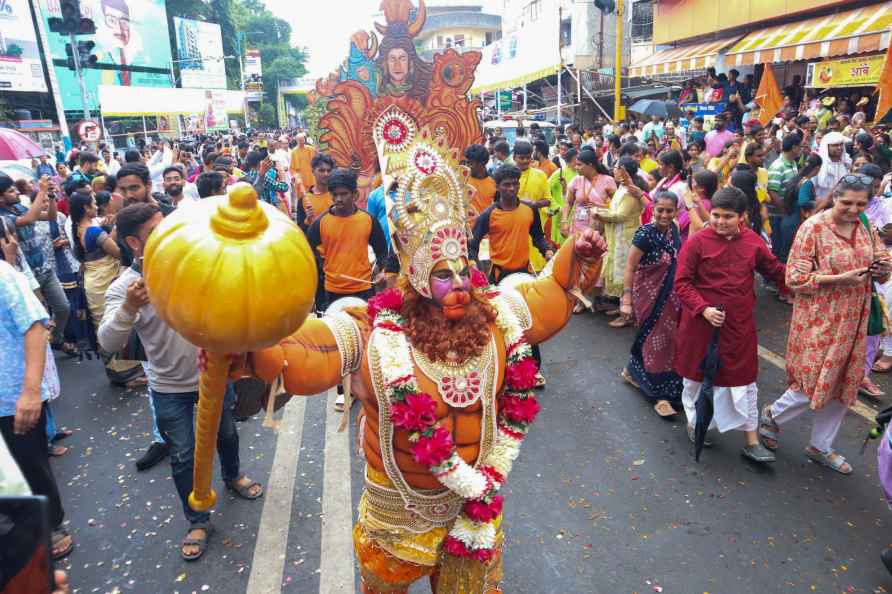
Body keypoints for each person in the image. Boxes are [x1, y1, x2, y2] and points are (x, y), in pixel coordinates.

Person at [244, 130, 606, 592]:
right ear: (415, 276)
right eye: (441, 273)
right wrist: (249, 339)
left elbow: (548, 297)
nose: (457, 282)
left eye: (462, 269)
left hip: (473, 510)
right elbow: (309, 352)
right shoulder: (372, 330)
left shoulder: (497, 315)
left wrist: (577, 251)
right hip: (396, 512)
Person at [98, 203, 264, 561]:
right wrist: (129, 307)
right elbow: (107, 342)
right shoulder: (127, 288)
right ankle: (198, 519)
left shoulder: (195, 266)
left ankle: (233, 476)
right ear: (133, 243)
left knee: (227, 434)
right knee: (183, 455)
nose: (170, 237)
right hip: (168, 388)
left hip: (214, 379)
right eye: (155, 232)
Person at [760, 177, 891, 475]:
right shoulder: (813, 229)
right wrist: (839, 279)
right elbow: (794, 279)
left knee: (846, 383)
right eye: (847, 203)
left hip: (856, 319)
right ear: (835, 197)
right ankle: (773, 416)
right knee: (814, 380)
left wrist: (883, 267)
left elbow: (881, 257)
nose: (853, 209)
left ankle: (821, 445)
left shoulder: (865, 225)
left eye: (861, 204)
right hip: (820, 319)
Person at [674, 187, 786, 463]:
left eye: (728, 216)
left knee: (744, 381)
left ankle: (751, 440)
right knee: (696, 381)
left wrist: (807, 279)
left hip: (738, 326)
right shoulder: (698, 242)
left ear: (743, 217)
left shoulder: (753, 242)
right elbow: (682, 283)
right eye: (715, 215)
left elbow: (775, 271)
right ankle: (697, 423)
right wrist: (704, 309)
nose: (720, 222)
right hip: (701, 326)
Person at [0, 258, 73, 560]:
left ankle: (52, 525)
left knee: (30, 465)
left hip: (12, 397)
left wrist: (30, 392)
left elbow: (35, 326)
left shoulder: (3, 275)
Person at [620, 191, 683, 417]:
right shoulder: (644, 234)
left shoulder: (674, 230)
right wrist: (626, 299)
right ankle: (660, 396)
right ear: (653, 210)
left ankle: (631, 371)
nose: (664, 215)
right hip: (647, 294)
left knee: (670, 340)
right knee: (656, 340)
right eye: (660, 210)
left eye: (669, 211)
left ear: (676, 211)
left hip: (671, 295)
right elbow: (630, 267)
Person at [0, 175, 72, 352]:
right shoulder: (2, 218)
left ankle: (55, 340)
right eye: (11, 191)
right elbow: (30, 219)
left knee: (63, 308)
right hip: (25, 275)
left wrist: (51, 197)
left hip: (44, 268)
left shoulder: (18, 207)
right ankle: (43, 353)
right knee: (41, 318)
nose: (16, 192)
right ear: (1, 197)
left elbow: (50, 216)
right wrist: (40, 190)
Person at [307, 169, 388, 308]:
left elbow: (382, 252)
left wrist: (382, 272)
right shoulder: (320, 223)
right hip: (331, 292)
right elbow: (308, 252)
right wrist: (322, 268)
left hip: (363, 289)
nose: (339, 199)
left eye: (344, 194)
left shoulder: (368, 220)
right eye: (335, 195)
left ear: (355, 194)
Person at [593, 156, 645, 326]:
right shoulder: (622, 187)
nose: (613, 169)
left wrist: (599, 214)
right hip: (619, 236)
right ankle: (623, 306)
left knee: (625, 273)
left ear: (623, 171)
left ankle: (627, 313)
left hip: (626, 237)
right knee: (621, 271)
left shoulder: (630, 190)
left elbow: (621, 215)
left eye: (616, 166)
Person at [778, 153, 823, 263]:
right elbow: (803, 201)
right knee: (792, 256)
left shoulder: (796, 179)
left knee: (785, 253)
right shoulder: (807, 182)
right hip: (796, 221)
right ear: (817, 168)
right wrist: (816, 203)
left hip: (787, 220)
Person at [513, 141, 551, 272]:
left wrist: (534, 204)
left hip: (535, 228)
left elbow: (548, 200)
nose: (525, 161)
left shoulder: (540, 175)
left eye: (528, 157)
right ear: (514, 157)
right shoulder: (507, 175)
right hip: (513, 227)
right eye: (521, 158)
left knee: (536, 270)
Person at [295, 153, 335, 231]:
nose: (326, 174)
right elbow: (301, 231)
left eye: (329, 170)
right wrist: (307, 221)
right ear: (313, 171)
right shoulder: (304, 200)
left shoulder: (337, 196)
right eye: (321, 170)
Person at [814, 132, 852, 206]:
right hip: (822, 206)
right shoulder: (818, 164)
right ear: (826, 147)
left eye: (841, 144)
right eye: (835, 145)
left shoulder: (846, 162)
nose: (839, 148)